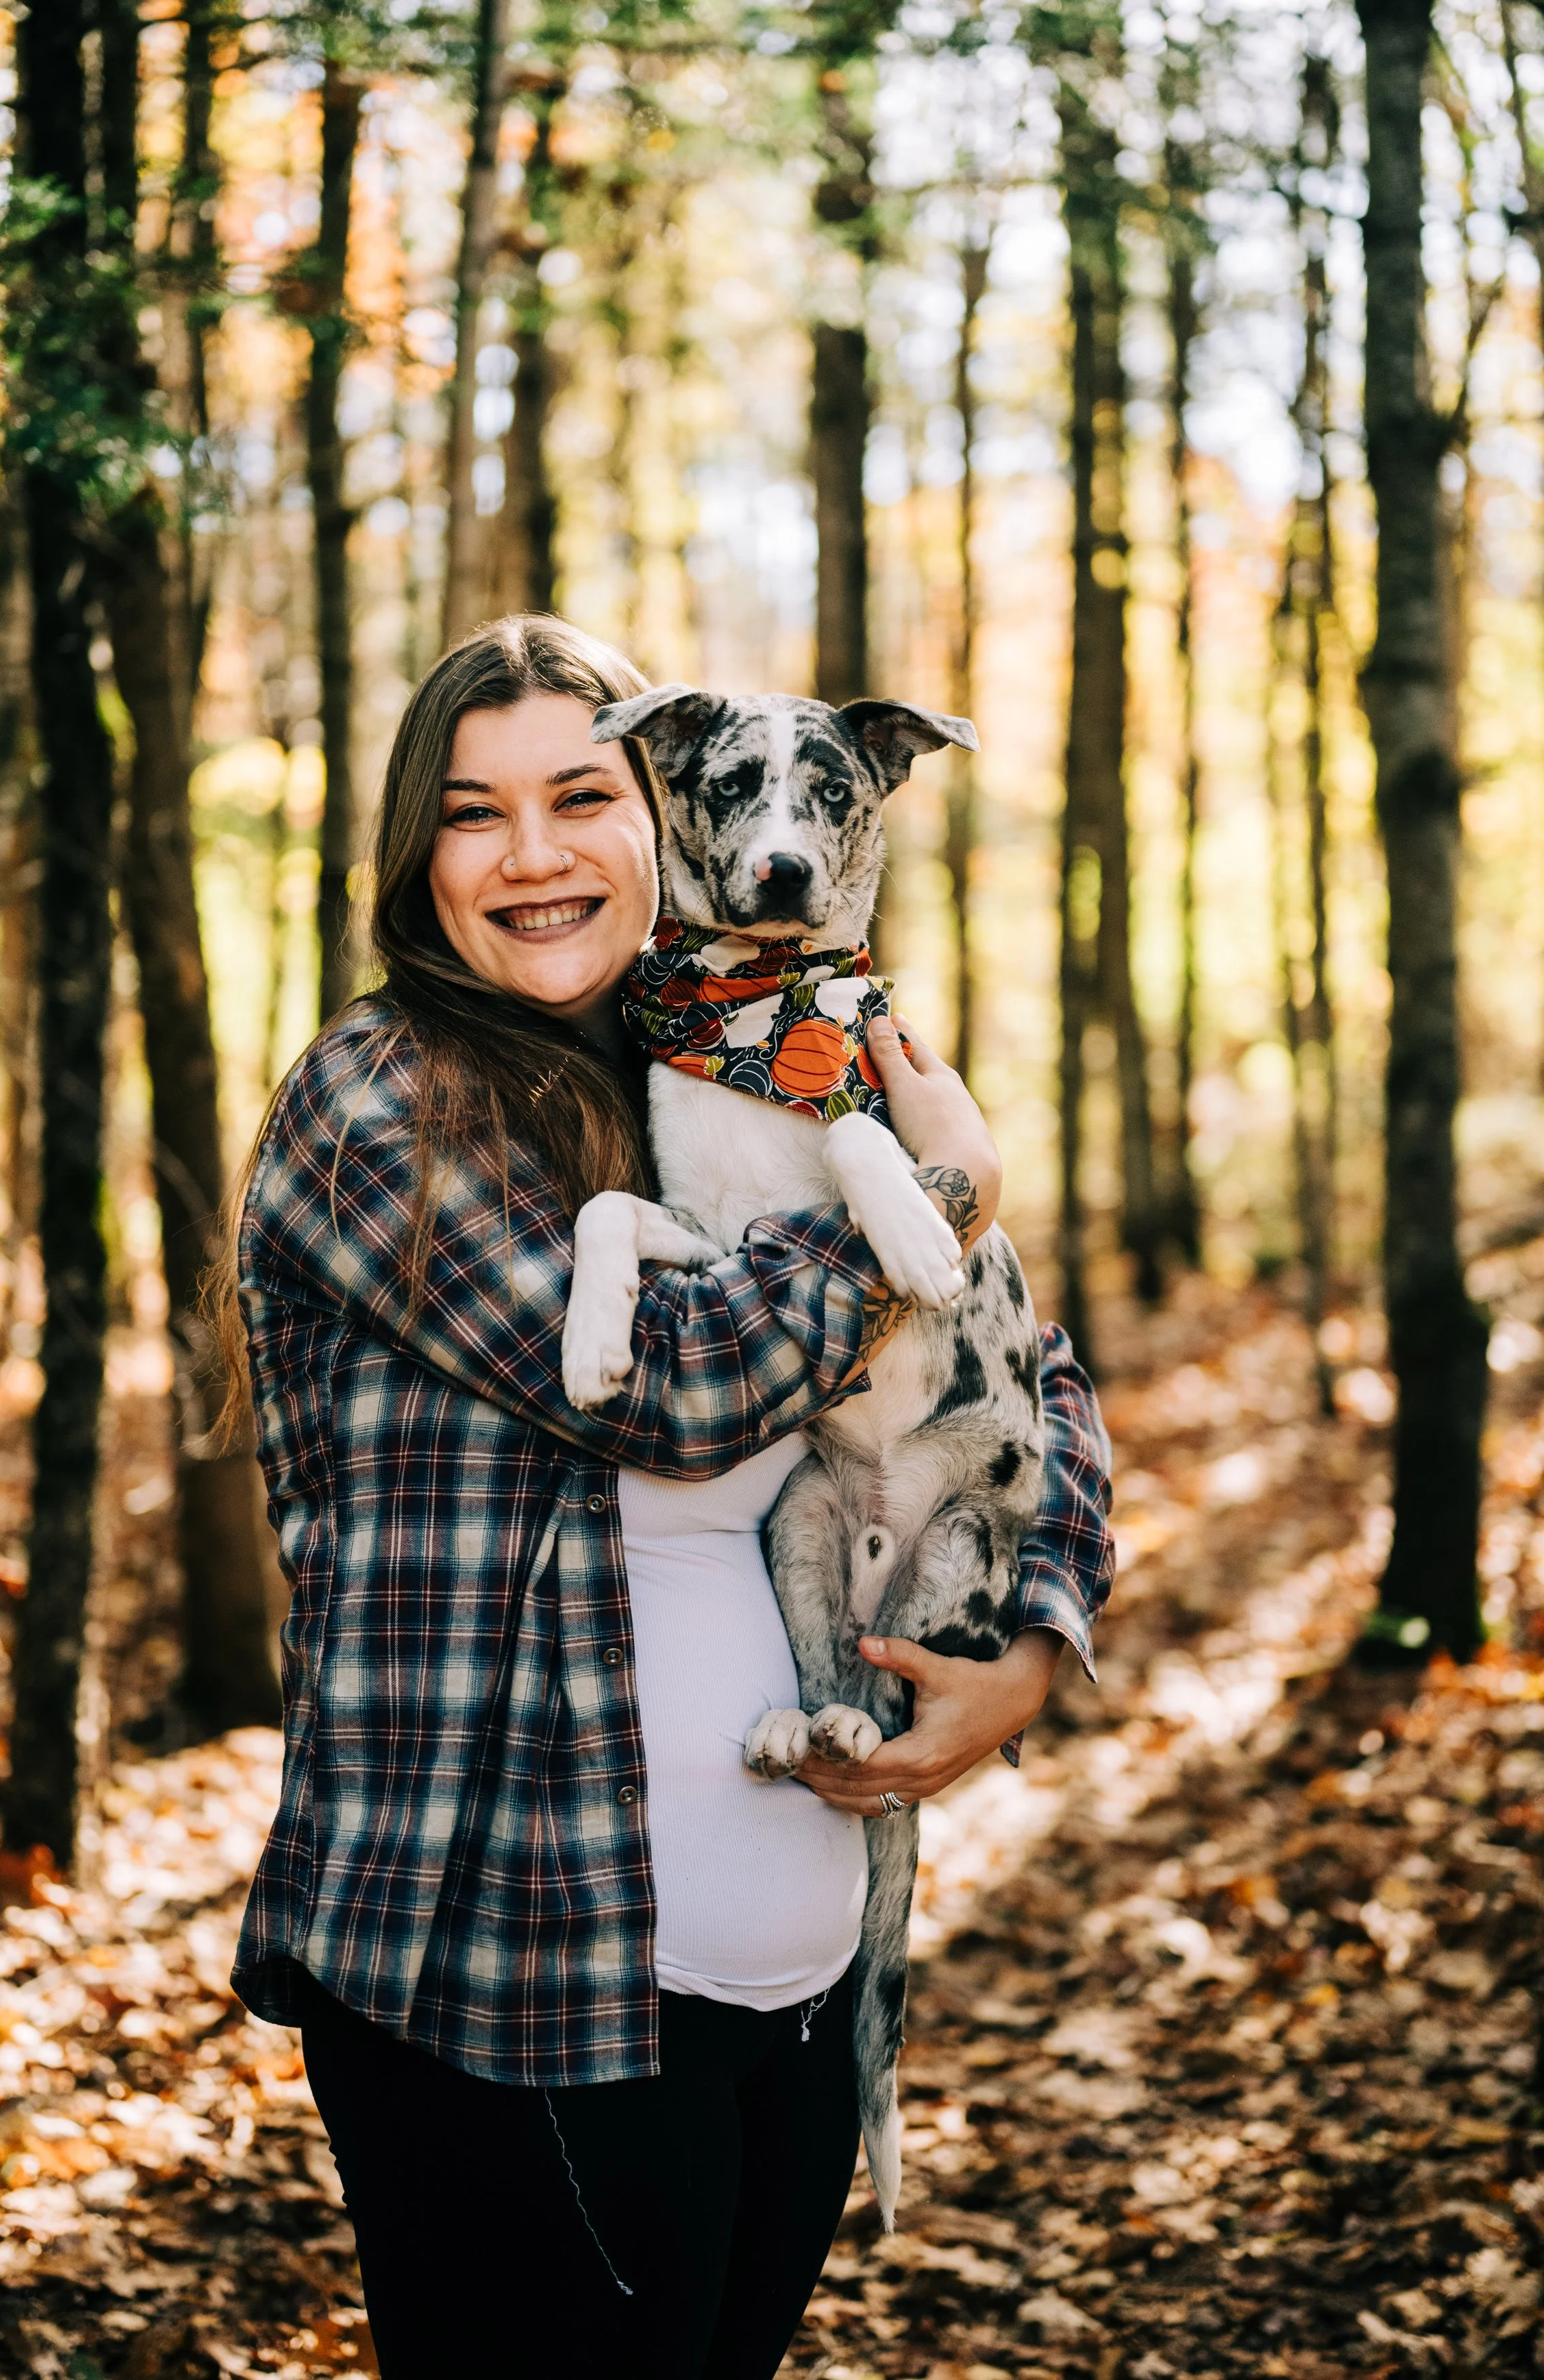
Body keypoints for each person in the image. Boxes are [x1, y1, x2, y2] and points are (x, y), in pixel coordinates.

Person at [216, 615, 1113, 2380]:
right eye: (475, 815)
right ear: (419, 859)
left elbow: (1023, 1364)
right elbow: (686, 1381)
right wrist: (932, 1178)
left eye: (578, 796)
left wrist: (1028, 1644)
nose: (536, 854)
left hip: (779, 2015)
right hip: (508, 2003)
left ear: (660, 818)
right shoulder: (376, 1103)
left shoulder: (707, 1059)